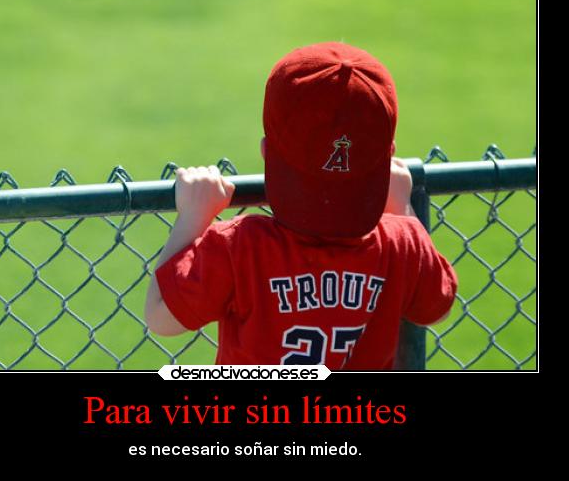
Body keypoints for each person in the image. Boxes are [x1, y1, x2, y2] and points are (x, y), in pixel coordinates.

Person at [145, 42, 458, 370]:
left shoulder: (241, 247)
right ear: (388, 155)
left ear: (266, 150)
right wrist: (401, 204)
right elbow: (438, 307)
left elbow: (160, 315)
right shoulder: (400, 243)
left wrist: (194, 216)